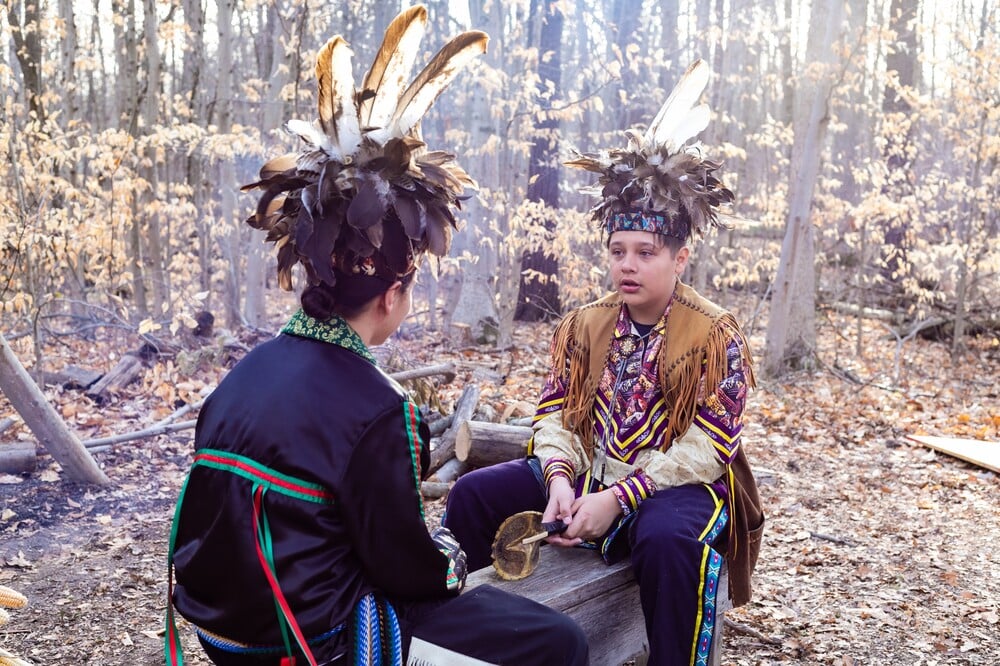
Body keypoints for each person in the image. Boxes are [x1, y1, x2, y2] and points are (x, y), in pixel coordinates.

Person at [164, 7, 588, 666]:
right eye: (411, 286)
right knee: (558, 641)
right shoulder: (374, 405)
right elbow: (407, 571)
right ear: (392, 295)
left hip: (222, 632)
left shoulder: (245, 375)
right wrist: (451, 557)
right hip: (313, 641)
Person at [444, 60, 765, 666]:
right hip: (589, 471)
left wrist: (621, 498)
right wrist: (562, 478)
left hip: (677, 484)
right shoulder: (584, 326)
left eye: (646, 252)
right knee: (472, 495)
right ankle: (461, 643)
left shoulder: (714, 333)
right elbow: (555, 414)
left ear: (680, 257)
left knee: (668, 539)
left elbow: (711, 445)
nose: (628, 264)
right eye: (618, 250)